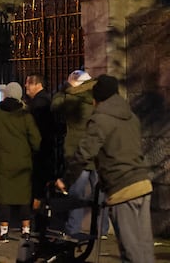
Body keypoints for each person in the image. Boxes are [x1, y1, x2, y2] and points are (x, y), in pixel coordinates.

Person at [55, 75, 154, 262]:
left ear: (97, 98)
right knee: (144, 247)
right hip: (142, 184)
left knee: (131, 250)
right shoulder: (131, 116)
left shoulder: (100, 119)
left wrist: (66, 181)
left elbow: (84, 153)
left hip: (122, 187)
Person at [0, 82, 41, 245]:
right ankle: (26, 231)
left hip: (1, 161)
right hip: (22, 161)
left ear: (5, 95)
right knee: (23, 197)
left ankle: (3, 232)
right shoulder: (25, 115)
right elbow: (36, 140)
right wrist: (32, 150)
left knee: (4, 197)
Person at [50, 69, 106, 239]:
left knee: (76, 194)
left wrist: (63, 88)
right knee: (100, 193)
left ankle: (72, 228)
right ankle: (101, 229)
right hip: (98, 151)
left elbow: (54, 105)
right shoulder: (98, 98)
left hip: (78, 153)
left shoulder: (71, 99)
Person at [23, 73, 57, 208]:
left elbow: (37, 129)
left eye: (29, 83)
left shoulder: (39, 104)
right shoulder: (42, 100)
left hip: (40, 151)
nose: (26, 86)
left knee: (39, 187)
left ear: (38, 85)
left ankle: (39, 216)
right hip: (44, 149)